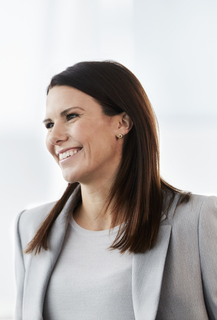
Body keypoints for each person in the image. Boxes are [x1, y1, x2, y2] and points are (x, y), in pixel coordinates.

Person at [14, 61, 217, 320]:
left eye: (71, 116)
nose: (54, 136)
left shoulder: (197, 221)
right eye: (49, 124)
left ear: (123, 123)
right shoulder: (30, 227)